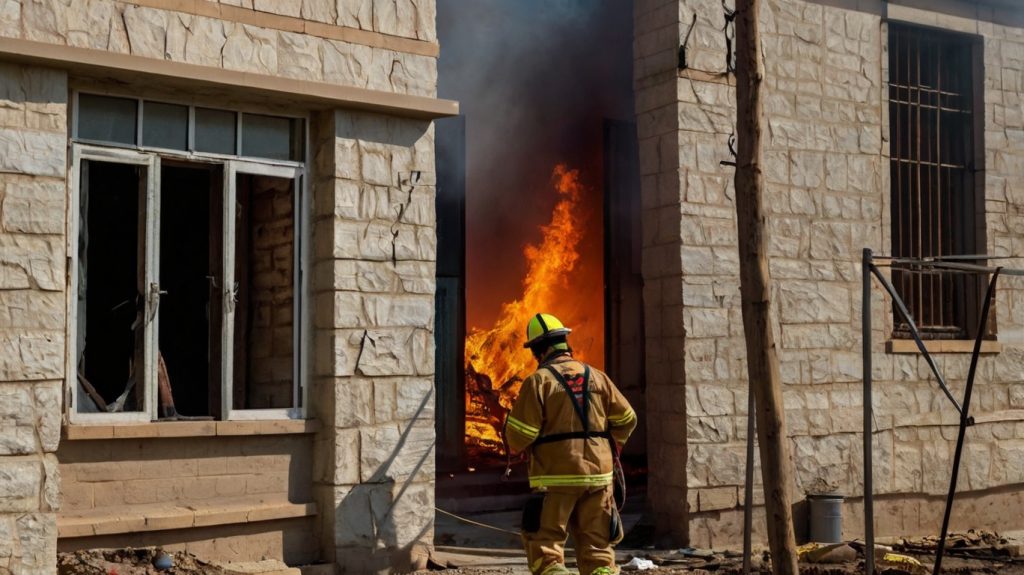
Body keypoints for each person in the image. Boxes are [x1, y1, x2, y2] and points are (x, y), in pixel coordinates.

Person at [504, 313, 637, 575]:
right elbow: (627, 418)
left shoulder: (538, 381)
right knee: (599, 550)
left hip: (556, 478)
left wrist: (514, 441)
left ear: (538, 351)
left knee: (547, 549)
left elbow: (520, 435)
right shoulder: (597, 376)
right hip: (599, 476)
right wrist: (614, 446)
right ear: (565, 343)